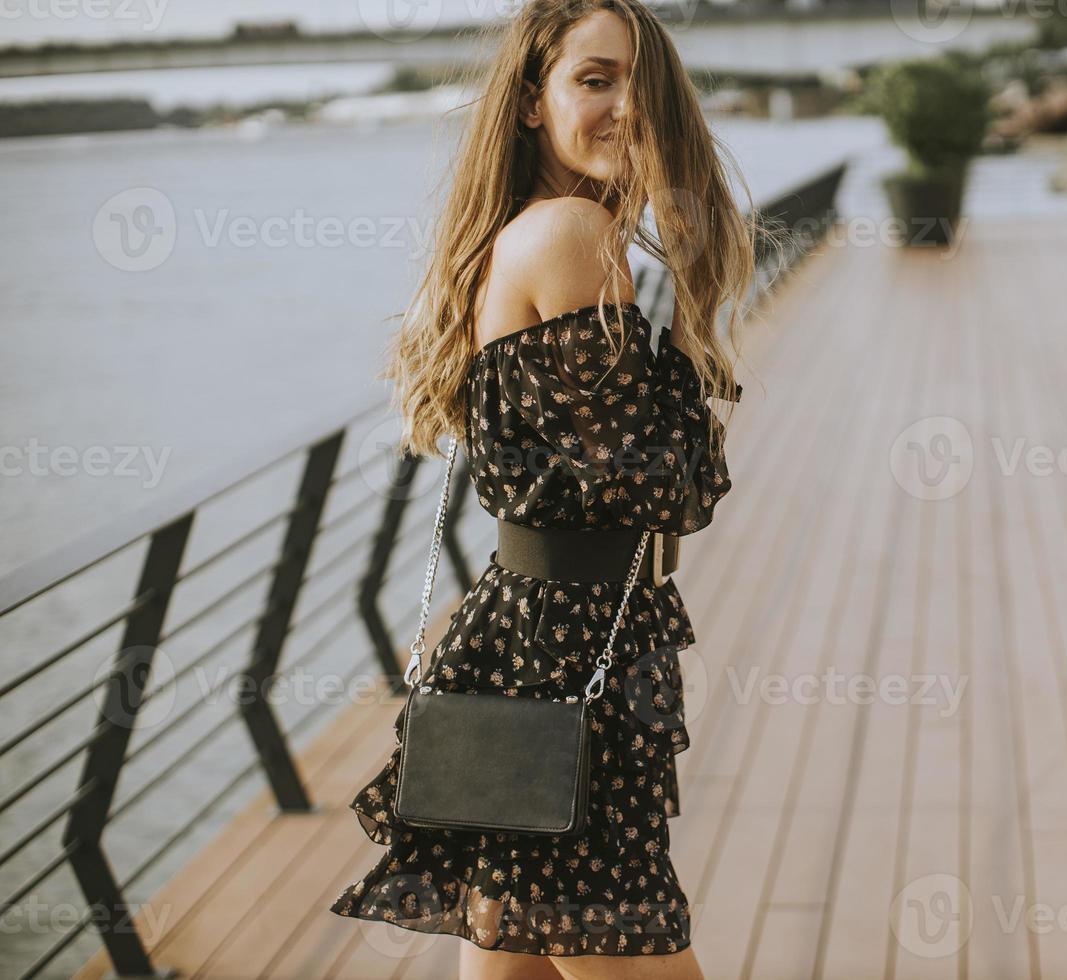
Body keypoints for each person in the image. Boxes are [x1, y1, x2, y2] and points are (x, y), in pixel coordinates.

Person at [329, 0, 770, 977]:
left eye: (640, 85)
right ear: (533, 101)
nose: (627, 107)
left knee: (517, 958)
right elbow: (662, 480)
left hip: (536, 641)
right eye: (594, 79)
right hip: (570, 661)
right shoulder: (571, 233)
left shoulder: (546, 231)